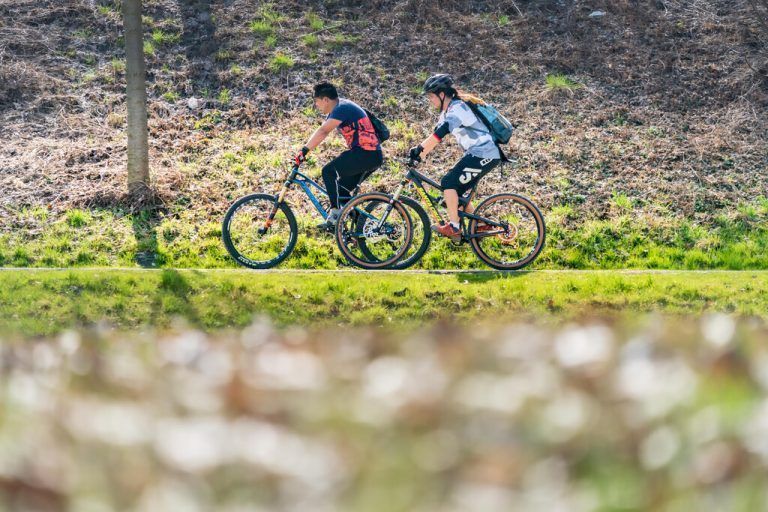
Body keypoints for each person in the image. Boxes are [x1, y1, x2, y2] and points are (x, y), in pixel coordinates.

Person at [408, 74, 502, 241]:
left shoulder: (458, 108)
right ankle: (479, 226)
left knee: (448, 183)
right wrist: (418, 155)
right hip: (477, 153)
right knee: (452, 195)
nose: (430, 100)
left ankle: (454, 227)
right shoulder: (445, 113)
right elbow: (435, 136)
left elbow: (440, 133)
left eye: (431, 96)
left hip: (484, 152)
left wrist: (420, 150)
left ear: (442, 94)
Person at [293, 82, 383, 229]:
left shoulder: (341, 108)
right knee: (341, 189)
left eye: (316, 101)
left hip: (366, 154)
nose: (316, 106)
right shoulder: (341, 107)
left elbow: (323, 131)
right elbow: (323, 131)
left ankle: (335, 215)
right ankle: (364, 226)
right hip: (369, 155)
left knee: (328, 171)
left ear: (326, 100)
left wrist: (304, 151)